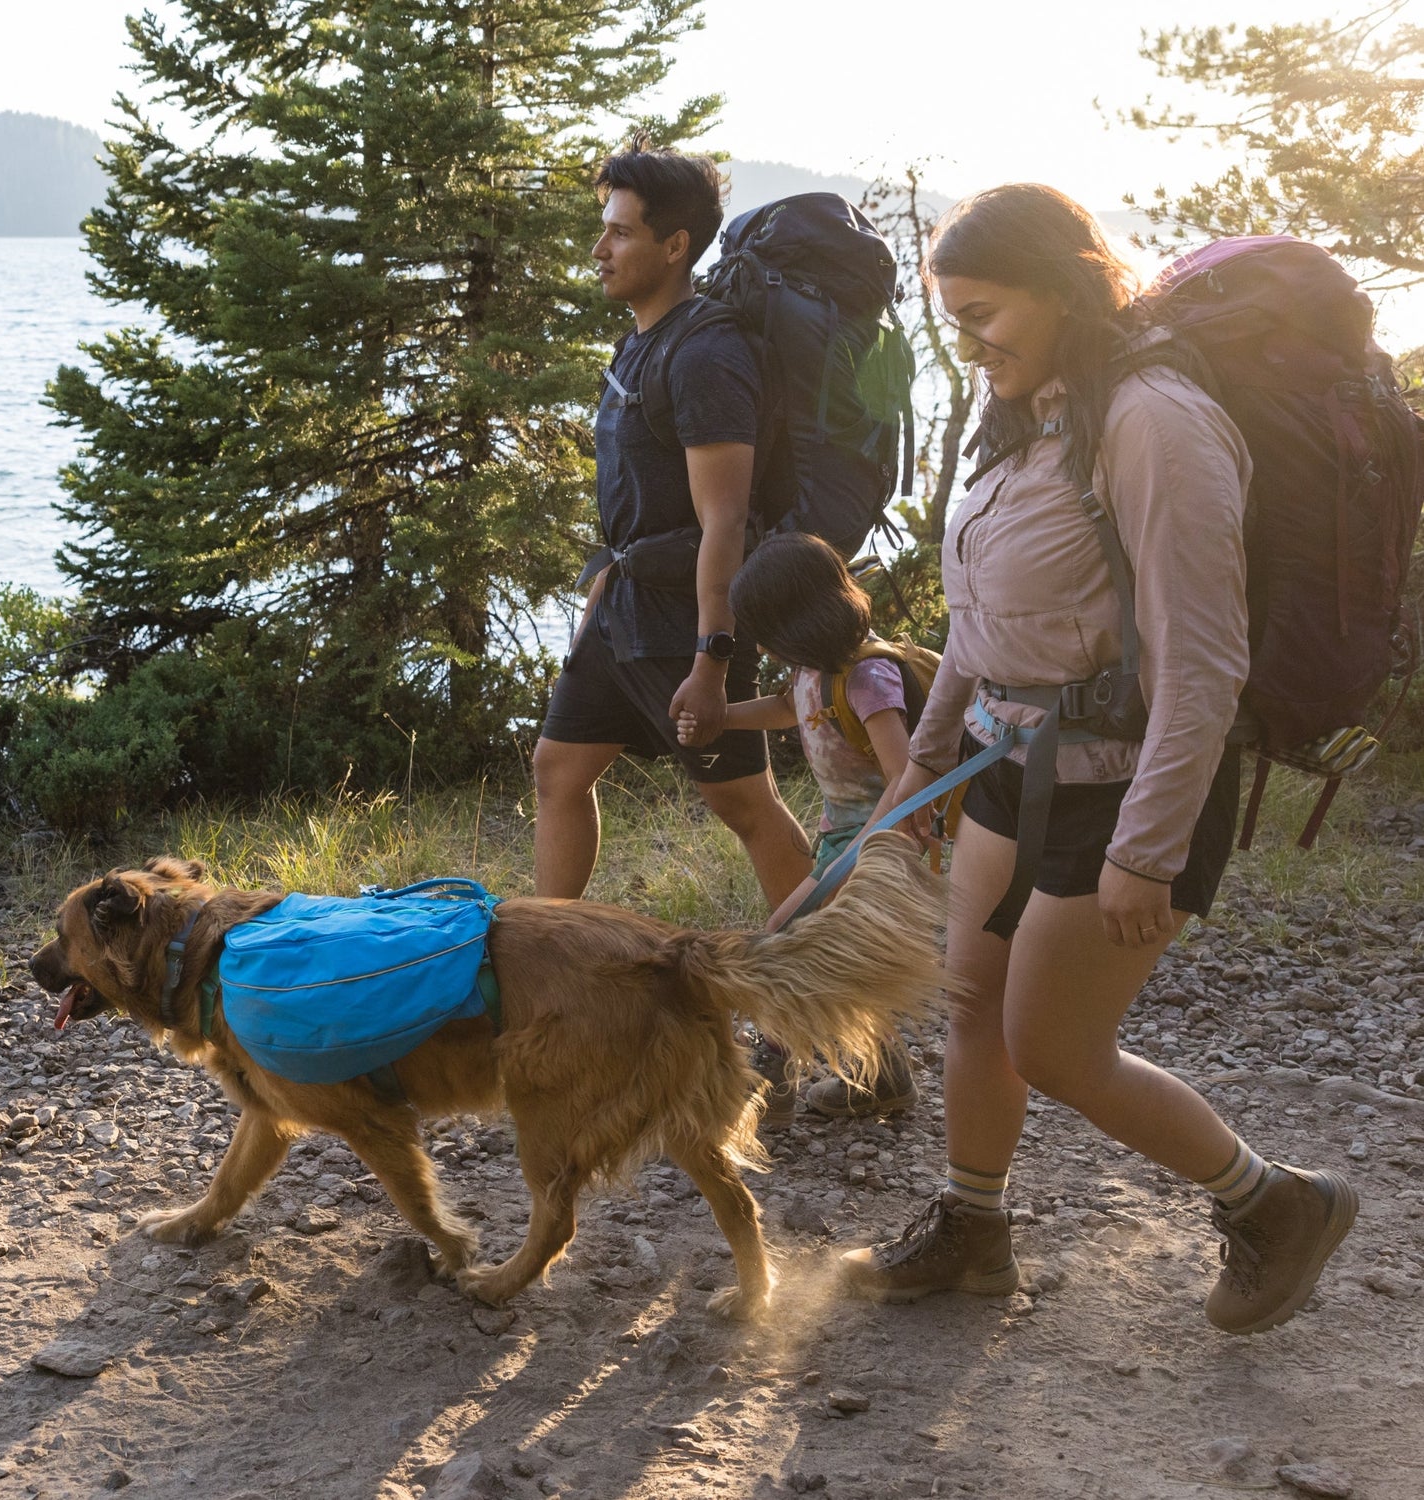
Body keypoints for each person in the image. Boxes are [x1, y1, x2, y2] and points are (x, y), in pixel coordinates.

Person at [839, 183, 1357, 1337]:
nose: (968, 344)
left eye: (985, 314)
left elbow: (1204, 660)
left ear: (1063, 288)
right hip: (1001, 765)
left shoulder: (1155, 420)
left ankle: (1278, 1205)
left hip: (1125, 788)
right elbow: (981, 626)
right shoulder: (1032, 411)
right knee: (973, 1004)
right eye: (953, 320)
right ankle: (973, 1232)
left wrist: (1149, 847)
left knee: (1057, 1048)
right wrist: (919, 773)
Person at [533, 138, 812, 912]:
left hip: (682, 622)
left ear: (675, 245)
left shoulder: (706, 354)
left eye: (620, 232)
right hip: (624, 608)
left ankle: (836, 995)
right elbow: (640, 495)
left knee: (744, 806)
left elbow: (726, 521)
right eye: (605, 228)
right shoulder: (644, 340)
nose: (600, 249)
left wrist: (713, 660)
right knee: (558, 769)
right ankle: (545, 956)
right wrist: (603, 579)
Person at [677, 531, 920, 1121]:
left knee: (790, 939)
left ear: (797, 619)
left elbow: (907, 775)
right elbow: (791, 709)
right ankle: (882, 1077)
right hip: (843, 838)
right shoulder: (814, 671)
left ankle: (767, 1082)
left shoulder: (867, 678)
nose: (762, 644)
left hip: (881, 846)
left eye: (766, 629)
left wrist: (865, 850)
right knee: (841, 958)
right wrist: (722, 719)